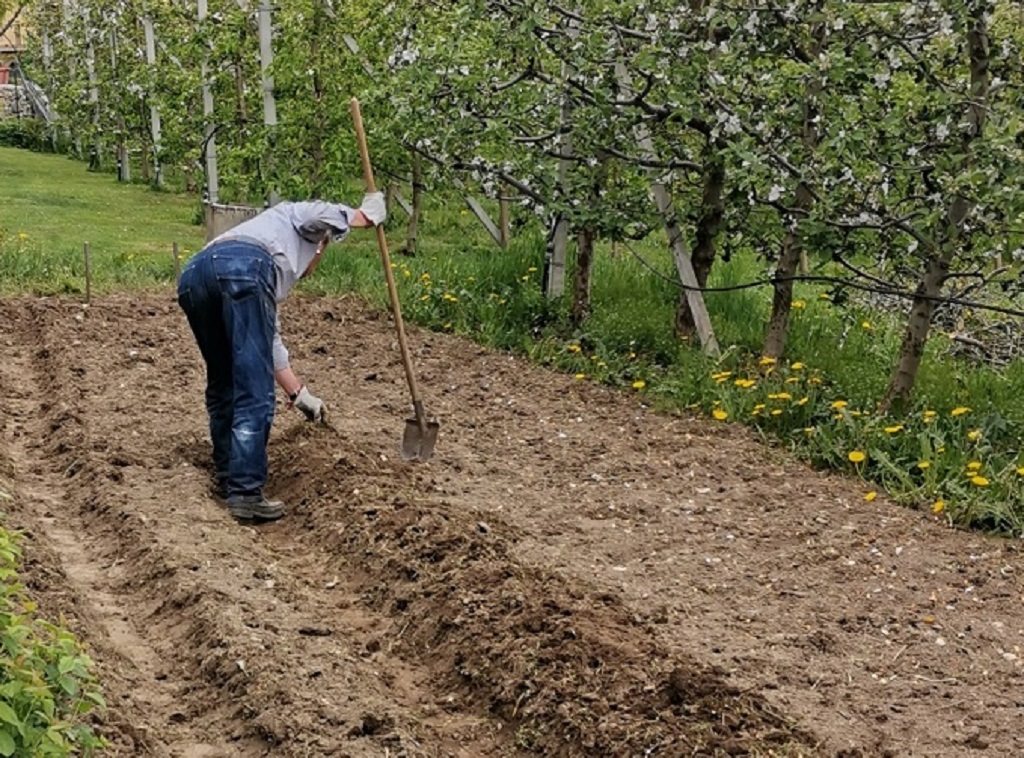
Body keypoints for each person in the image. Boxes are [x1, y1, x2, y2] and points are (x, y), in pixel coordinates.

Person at [177, 192, 387, 523]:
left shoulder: (260, 241)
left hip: (194, 276)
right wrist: (361, 217)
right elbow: (316, 213)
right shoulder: (294, 221)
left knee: (224, 380)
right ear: (320, 246)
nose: (312, 270)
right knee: (253, 388)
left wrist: (298, 394)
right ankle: (245, 492)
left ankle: (229, 472)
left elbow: (267, 341)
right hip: (240, 269)